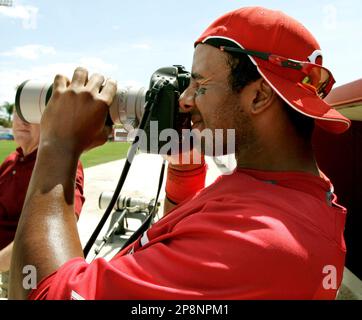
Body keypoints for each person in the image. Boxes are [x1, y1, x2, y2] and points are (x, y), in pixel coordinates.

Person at [9, 7, 351, 300]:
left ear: (260, 97)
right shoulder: (274, 188)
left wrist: (58, 147)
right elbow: (187, 237)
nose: (185, 101)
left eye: (200, 85)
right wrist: (184, 169)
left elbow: (47, 292)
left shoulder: (261, 241)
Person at [0, 110, 85, 298]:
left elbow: (60, 227)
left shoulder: (57, 166)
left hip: (21, 272)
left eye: (30, 112)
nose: (22, 120)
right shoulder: (11, 160)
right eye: (18, 112)